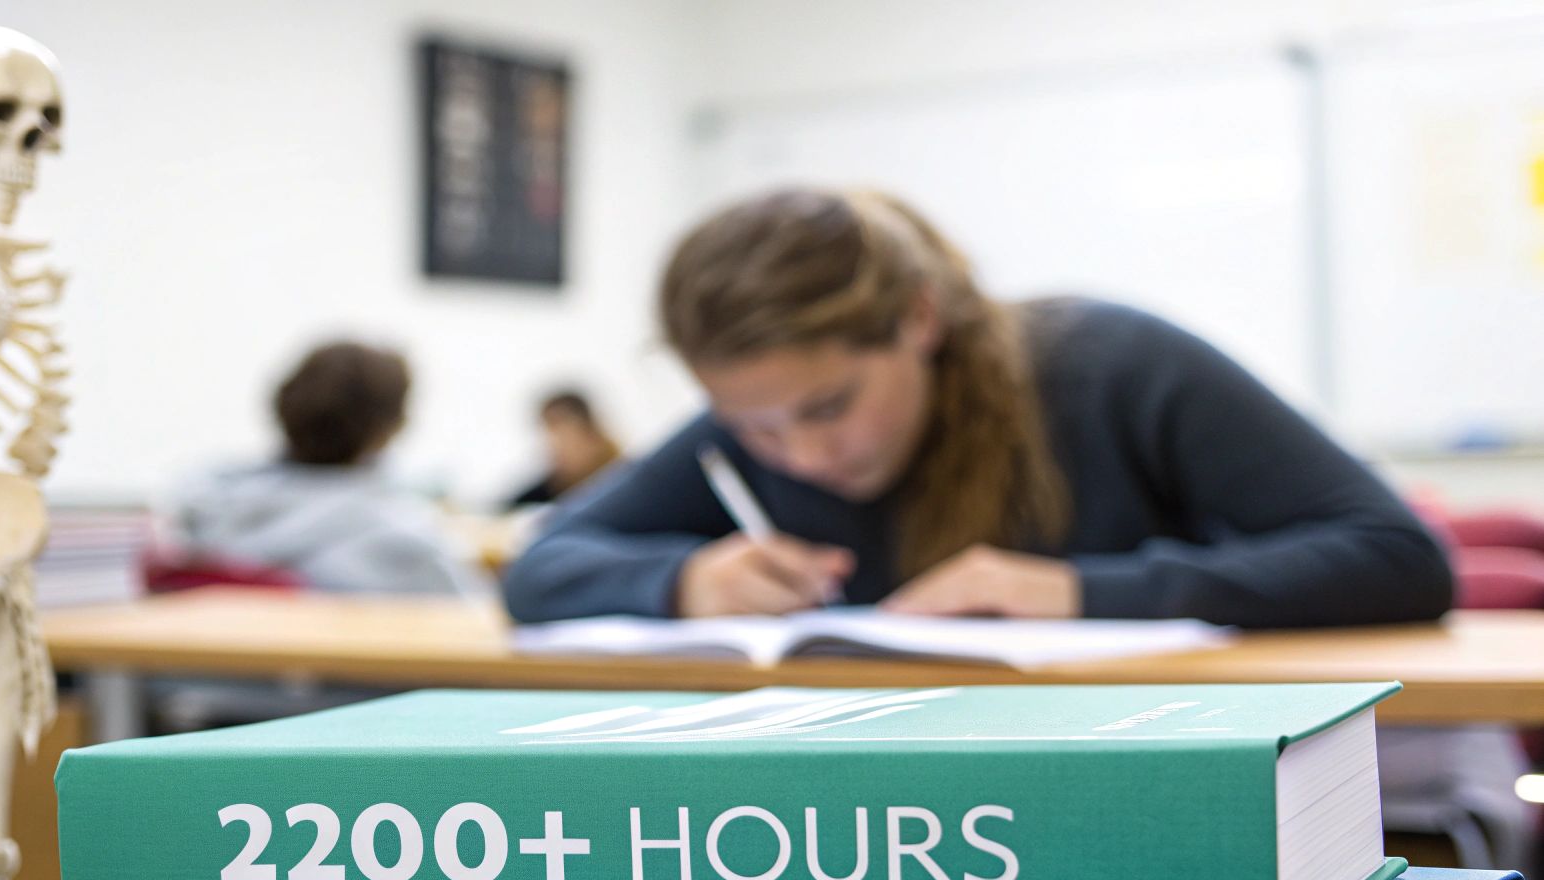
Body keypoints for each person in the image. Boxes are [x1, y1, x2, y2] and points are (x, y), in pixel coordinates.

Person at [501, 187, 1455, 627]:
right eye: (753, 425)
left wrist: (1086, 592)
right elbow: (542, 566)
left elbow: (1399, 557)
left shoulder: (1109, 365)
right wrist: (684, 583)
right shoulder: (752, 425)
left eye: (830, 406)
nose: (795, 453)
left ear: (918, 319)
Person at [169, 339, 489, 597]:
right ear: (390, 428)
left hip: (196, 678)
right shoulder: (405, 544)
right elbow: (481, 631)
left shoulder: (201, 514)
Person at [505, 390, 624, 507]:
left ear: (588, 430)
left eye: (558, 428)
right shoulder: (554, 485)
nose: (552, 443)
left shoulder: (621, 477)